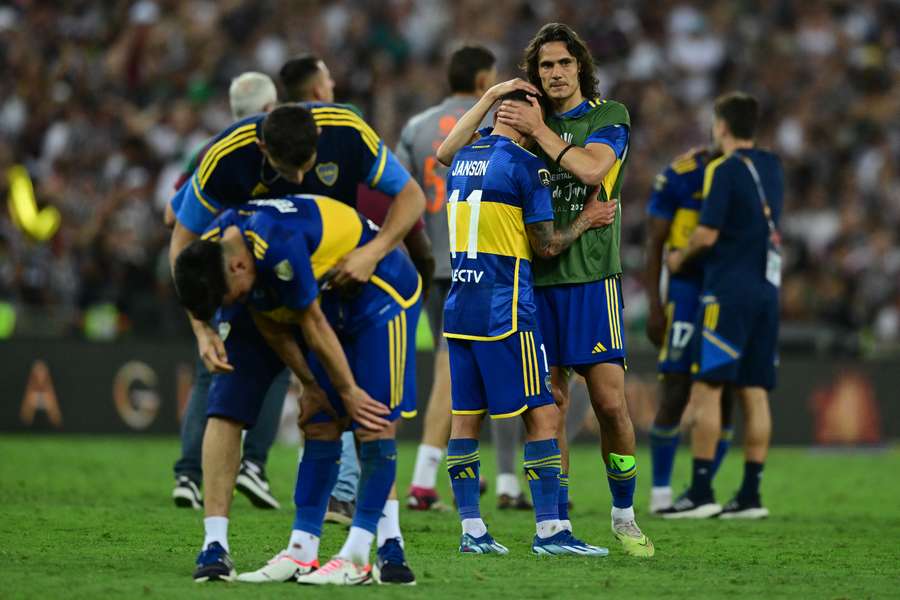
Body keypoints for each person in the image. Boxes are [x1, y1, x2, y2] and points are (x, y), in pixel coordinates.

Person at [168, 104, 426, 581]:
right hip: (294, 289)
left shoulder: (347, 135)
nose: (304, 176)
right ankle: (281, 548)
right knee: (278, 412)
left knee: (370, 415)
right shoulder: (226, 166)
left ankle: (375, 548)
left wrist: (372, 253)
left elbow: (411, 197)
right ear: (263, 149)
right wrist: (205, 329)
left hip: (369, 289)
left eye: (311, 165)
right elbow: (182, 238)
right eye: (292, 170)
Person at [437, 23, 654, 557]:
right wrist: (509, 110)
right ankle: (554, 522)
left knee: (609, 404)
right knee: (548, 403)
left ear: (580, 65)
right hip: (533, 283)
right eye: (545, 67)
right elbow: (456, 152)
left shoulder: (608, 117)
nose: (555, 74)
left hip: (590, 283)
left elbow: (590, 169)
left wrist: (539, 130)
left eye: (563, 64)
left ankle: (623, 515)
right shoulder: (525, 122)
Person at [443, 90, 615, 555]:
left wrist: (491, 95)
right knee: (543, 415)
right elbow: (547, 246)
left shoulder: (464, 155)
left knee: (465, 421)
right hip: (506, 309)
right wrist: (587, 219)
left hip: (460, 307)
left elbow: (441, 152)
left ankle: (472, 531)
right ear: (528, 114)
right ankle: (551, 533)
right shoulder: (526, 166)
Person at [395, 45, 529, 511]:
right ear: (482, 82)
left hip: (435, 264)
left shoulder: (415, 128)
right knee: (503, 365)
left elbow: (400, 196)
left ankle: (434, 476)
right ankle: (504, 479)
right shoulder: (497, 123)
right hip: (488, 260)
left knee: (451, 368)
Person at [169, 72, 287, 512]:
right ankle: (252, 465)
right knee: (272, 365)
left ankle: (187, 474)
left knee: (211, 371)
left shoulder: (209, 149)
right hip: (249, 273)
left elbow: (171, 210)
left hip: (217, 275)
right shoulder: (279, 142)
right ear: (272, 106)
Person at [662, 92, 783, 519]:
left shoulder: (722, 168)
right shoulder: (773, 166)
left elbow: (707, 235)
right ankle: (750, 495)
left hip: (727, 290)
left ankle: (700, 491)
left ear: (723, 126)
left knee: (707, 387)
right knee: (753, 390)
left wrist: (679, 258)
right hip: (767, 291)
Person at [643, 146, 736, 513]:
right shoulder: (680, 175)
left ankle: (701, 490)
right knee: (675, 388)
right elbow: (656, 244)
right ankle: (661, 493)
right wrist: (655, 304)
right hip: (685, 291)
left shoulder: (744, 173)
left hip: (727, 289)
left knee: (725, 391)